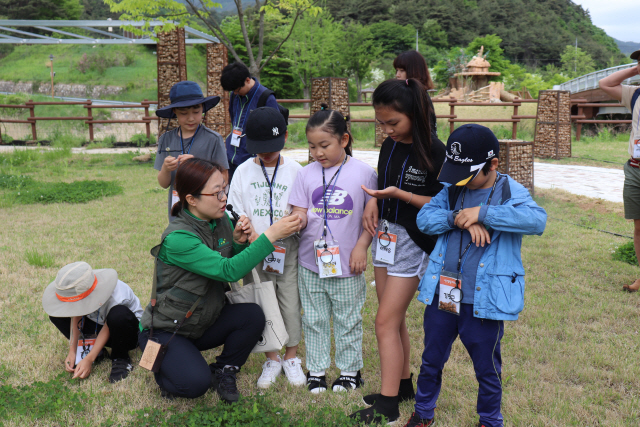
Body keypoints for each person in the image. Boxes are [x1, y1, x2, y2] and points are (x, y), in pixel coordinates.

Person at [402, 124, 547, 427]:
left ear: (493, 164)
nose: (462, 183)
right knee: (431, 360)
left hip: (484, 301)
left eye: (469, 176)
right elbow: (425, 218)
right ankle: (423, 413)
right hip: (445, 293)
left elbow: (536, 220)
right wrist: (459, 218)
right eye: (457, 174)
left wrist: (483, 213)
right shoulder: (452, 190)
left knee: (487, 367)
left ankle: (490, 421)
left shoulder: (509, 191)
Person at [138, 158, 301, 402]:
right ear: (191, 199)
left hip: (203, 321)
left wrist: (235, 241)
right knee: (195, 385)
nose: (224, 197)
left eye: (224, 188)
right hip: (169, 329)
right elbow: (228, 271)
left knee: (252, 316)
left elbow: (223, 262)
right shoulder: (178, 239)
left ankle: (224, 369)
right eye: (216, 193)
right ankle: (168, 369)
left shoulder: (221, 220)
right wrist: (272, 235)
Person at [350, 78, 446, 425]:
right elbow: (381, 181)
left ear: (415, 115)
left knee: (384, 322)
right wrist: (373, 205)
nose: (387, 130)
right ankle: (403, 385)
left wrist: (401, 196)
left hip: (414, 242)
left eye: (394, 123)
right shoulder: (389, 146)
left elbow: (443, 204)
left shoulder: (436, 151)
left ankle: (388, 406)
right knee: (392, 319)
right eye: (382, 123)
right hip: (385, 237)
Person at [288, 105, 377, 394]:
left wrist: (362, 247)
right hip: (310, 262)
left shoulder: (365, 174)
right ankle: (317, 371)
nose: (317, 153)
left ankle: (350, 371)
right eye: (312, 146)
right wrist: (298, 219)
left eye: (324, 145)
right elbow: (300, 210)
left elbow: (371, 220)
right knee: (313, 318)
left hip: (350, 264)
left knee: (347, 318)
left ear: (345, 140)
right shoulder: (305, 174)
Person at [226, 106, 305, 388]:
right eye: (260, 148)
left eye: (272, 147)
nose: (267, 153)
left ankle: (292, 356)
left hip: (288, 248)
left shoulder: (297, 170)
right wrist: (245, 227)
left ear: (284, 137)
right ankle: (272, 356)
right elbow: (233, 209)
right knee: (260, 300)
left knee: (289, 300)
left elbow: (302, 209)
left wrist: (296, 220)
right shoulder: (243, 172)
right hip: (253, 247)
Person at [42, 261, 143, 383]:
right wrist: (72, 350)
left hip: (125, 332)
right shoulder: (81, 286)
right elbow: (76, 314)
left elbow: (109, 326)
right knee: (57, 315)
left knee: (118, 315)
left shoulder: (117, 296)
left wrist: (89, 359)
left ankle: (120, 358)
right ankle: (95, 350)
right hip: (99, 324)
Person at [154, 80, 229, 222]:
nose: (191, 118)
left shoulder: (213, 139)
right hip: (178, 214)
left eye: (196, 112)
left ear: (203, 109)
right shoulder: (166, 140)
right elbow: (163, 184)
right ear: (174, 112)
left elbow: (224, 179)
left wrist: (197, 165)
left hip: (207, 213)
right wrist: (165, 168)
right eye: (183, 113)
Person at [599, 50, 640, 292]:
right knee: (638, 226)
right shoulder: (634, 94)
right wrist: (635, 70)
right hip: (635, 168)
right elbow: (605, 83)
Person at [220, 62, 280, 182]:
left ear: (247, 80)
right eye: (233, 91)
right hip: (232, 158)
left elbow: (276, 130)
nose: (235, 93)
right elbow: (234, 120)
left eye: (237, 90)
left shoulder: (266, 98)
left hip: (253, 160)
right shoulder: (234, 96)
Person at [393, 50, 438, 137]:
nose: (397, 75)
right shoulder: (407, 94)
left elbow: (427, 131)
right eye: (397, 70)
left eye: (402, 70)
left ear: (415, 72)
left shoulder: (418, 96)